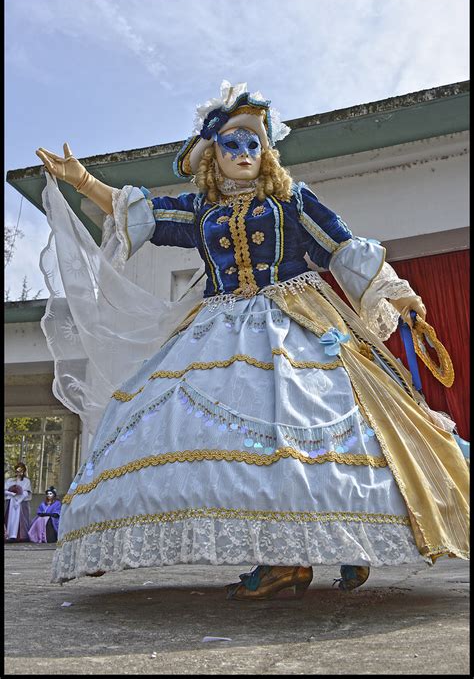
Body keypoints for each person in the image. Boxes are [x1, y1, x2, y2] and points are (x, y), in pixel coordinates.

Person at [36, 80, 469, 598]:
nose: (243, 153)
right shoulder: (203, 212)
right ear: (211, 157)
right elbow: (142, 214)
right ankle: (286, 558)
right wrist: (82, 179)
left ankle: (351, 539)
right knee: (232, 437)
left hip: (297, 320)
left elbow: (343, 247)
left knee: (315, 425)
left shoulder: (291, 199)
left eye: (253, 144)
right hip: (218, 329)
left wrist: (395, 294)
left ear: (265, 153)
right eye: (231, 144)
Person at [4, 462, 32, 542]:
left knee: (19, 519)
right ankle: (8, 535)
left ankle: (18, 535)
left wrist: (18, 501)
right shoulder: (10, 480)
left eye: (21, 470)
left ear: (23, 471)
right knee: (10, 518)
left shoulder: (26, 481)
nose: (19, 472)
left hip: (20, 503)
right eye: (17, 470)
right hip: (11, 502)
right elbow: (5, 490)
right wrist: (11, 493)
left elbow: (26, 492)